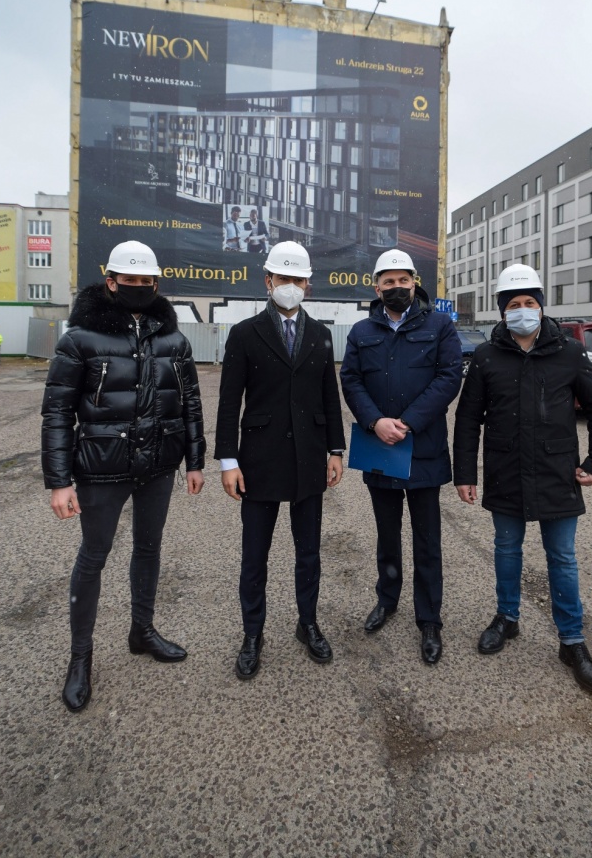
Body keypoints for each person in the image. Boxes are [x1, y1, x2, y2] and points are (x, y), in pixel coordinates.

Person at [41, 240, 205, 713]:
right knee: (93, 556)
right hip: (100, 469)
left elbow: (190, 402)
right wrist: (58, 480)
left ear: (156, 284)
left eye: (145, 282)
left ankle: (142, 630)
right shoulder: (80, 339)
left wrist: (195, 460)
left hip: (158, 466)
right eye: (128, 281)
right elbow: (56, 413)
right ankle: (80, 658)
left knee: (149, 549)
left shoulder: (174, 339)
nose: (137, 288)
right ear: (109, 281)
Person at [453, 264, 592, 694]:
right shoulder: (487, 356)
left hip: (557, 472)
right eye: (513, 305)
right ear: (502, 312)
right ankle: (507, 618)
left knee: (562, 557)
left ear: (542, 307)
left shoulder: (568, 351)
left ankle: (572, 641)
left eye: (529, 303)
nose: (522, 311)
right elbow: (468, 418)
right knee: (506, 548)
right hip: (506, 471)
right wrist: (465, 473)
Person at [215, 241, 345, 680]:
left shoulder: (321, 334)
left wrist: (336, 450)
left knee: (308, 553)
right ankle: (253, 633)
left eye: (297, 280)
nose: (289, 287)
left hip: (309, 458)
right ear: (267, 281)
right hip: (259, 462)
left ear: (308, 283)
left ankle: (307, 623)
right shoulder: (245, 334)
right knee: (255, 555)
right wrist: (227, 461)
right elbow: (229, 401)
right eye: (282, 279)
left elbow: (330, 394)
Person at [340, 250, 461, 665]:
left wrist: (407, 422)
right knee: (387, 536)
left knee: (428, 541)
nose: (396, 288)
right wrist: (375, 422)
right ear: (376, 288)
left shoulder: (440, 326)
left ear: (415, 282)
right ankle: (387, 600)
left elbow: (449, 378)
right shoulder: (361, 331)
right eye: (387, 282)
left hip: (422, 448)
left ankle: (429, 619)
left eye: (402, 281)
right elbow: (351, 380)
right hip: (380, 449)